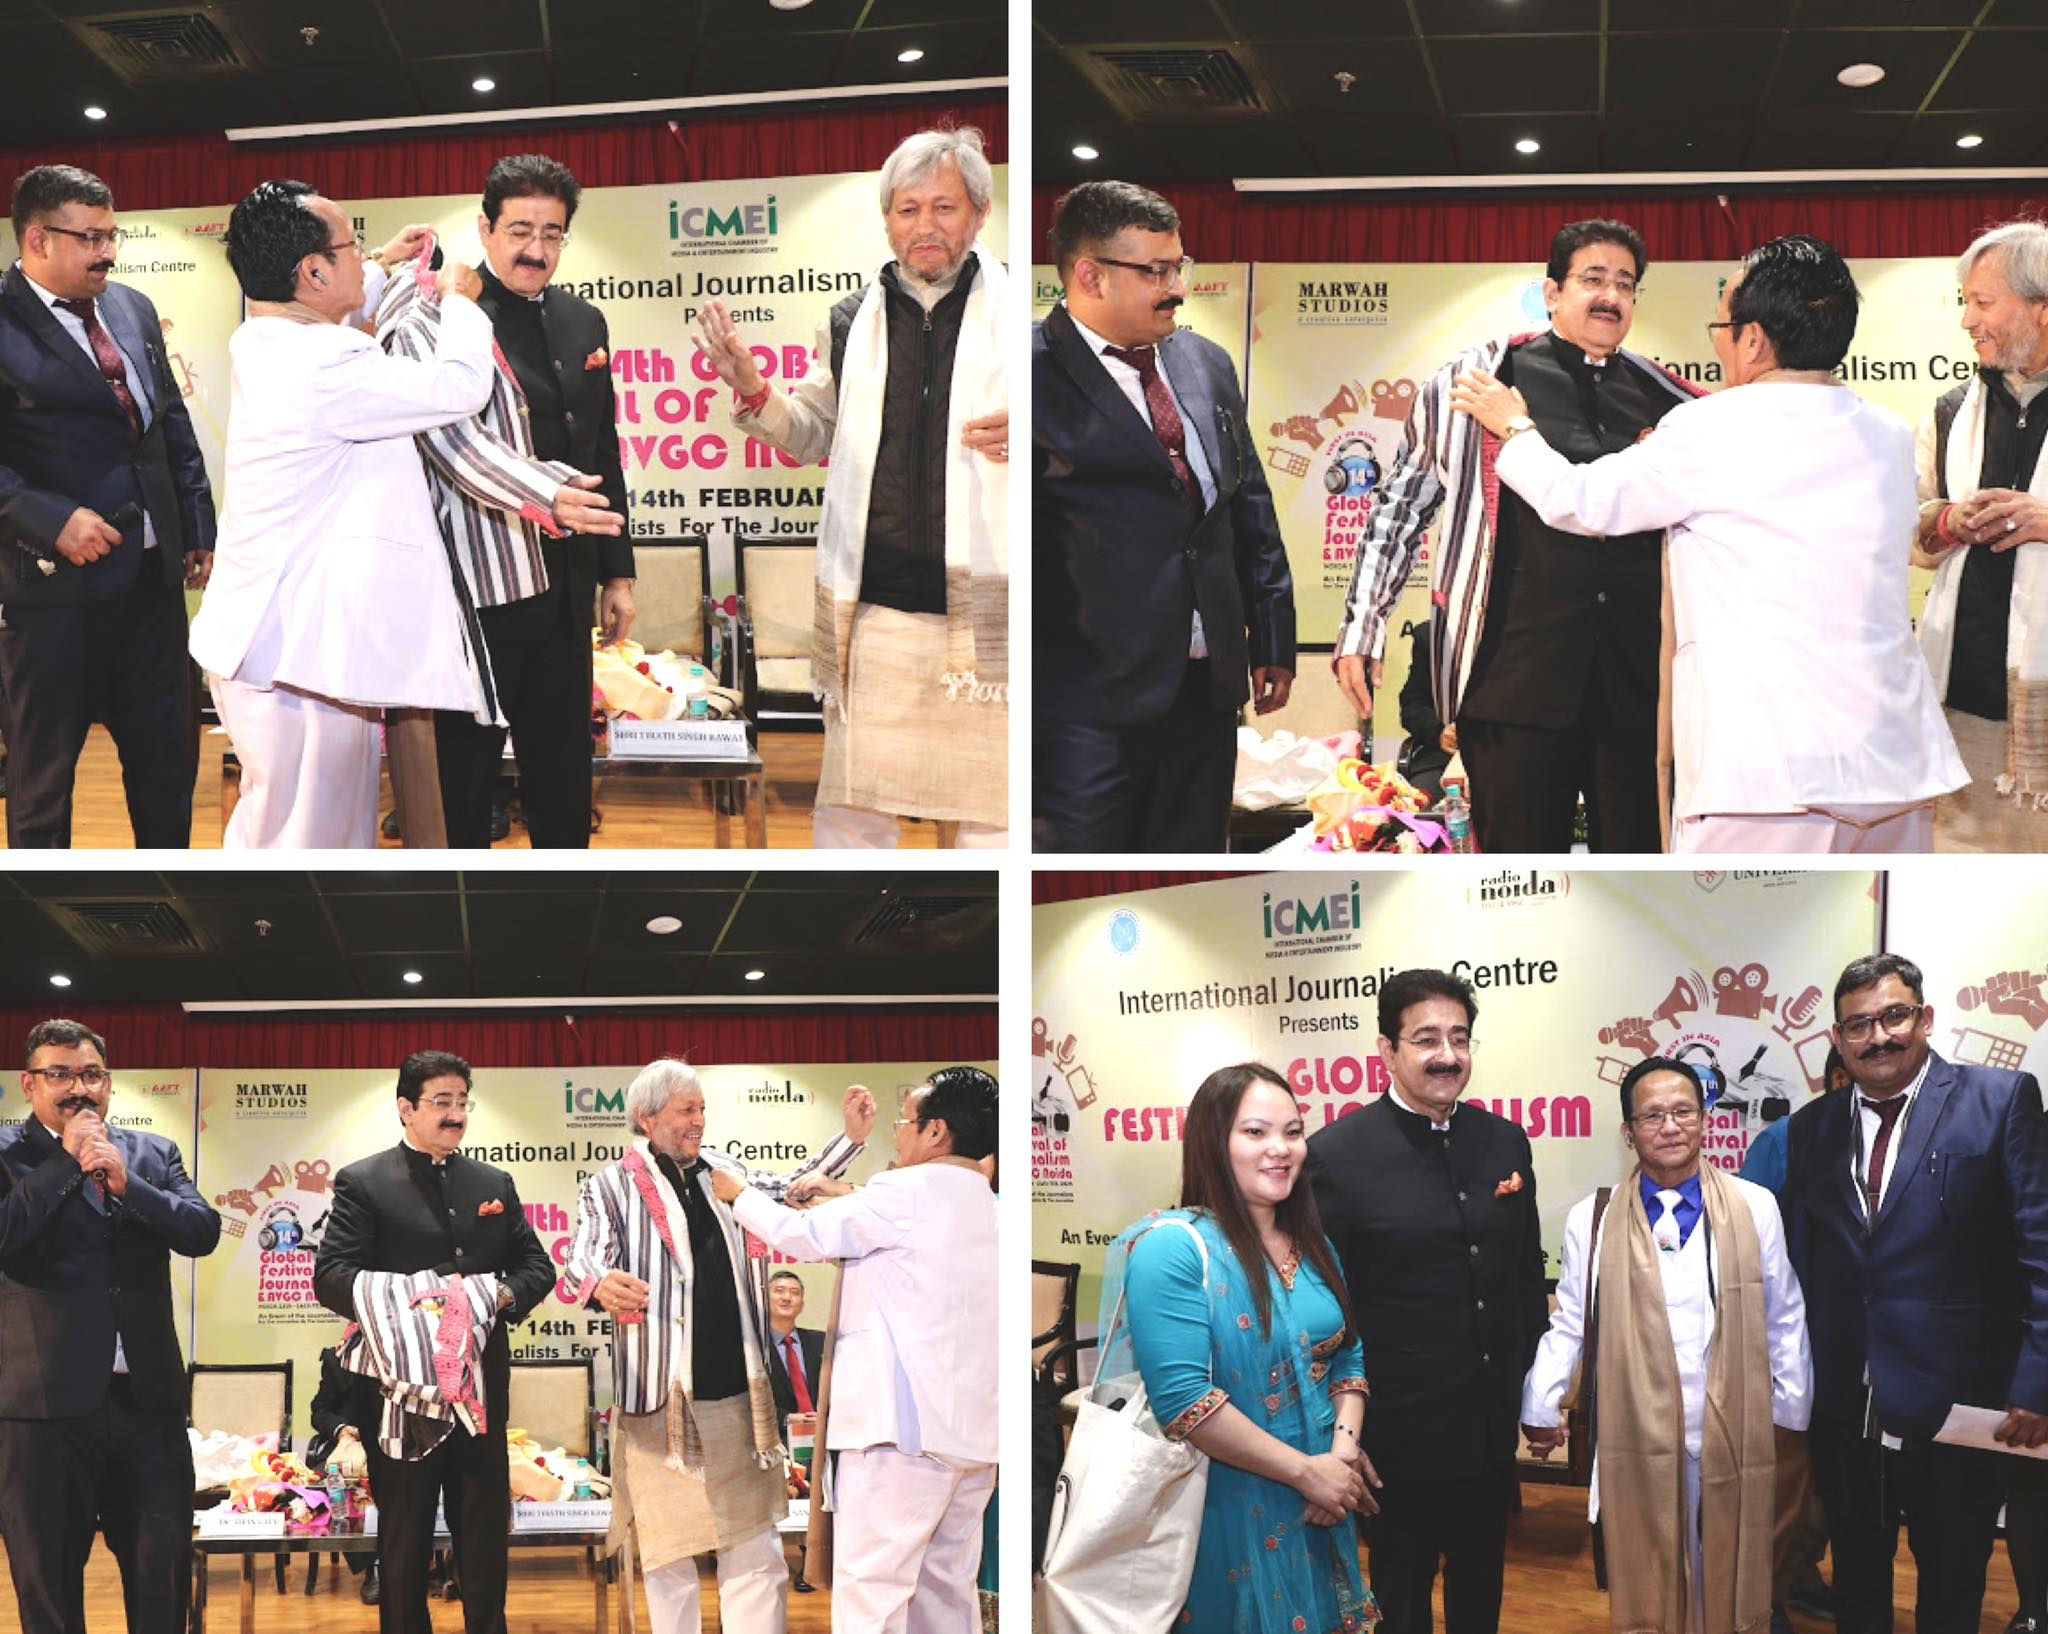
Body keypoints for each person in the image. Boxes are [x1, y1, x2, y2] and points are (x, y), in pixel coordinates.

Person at [1452, 234, 1966, 853]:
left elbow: (1579, 500)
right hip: (1895, 761)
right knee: (1879, 914)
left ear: (1753, 340)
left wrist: (1514, 427)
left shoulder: (1710, 427)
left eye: (1722, 326)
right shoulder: (1888, 434)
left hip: (1767, 773)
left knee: (1749, 917)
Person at [1331, 219, 1696, 853]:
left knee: (1642, 875)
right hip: (1512, 685)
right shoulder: (1475, 384)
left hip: (1638, 691)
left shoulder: (1672, 403)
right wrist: (1364, 624)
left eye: (1625, 284)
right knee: (1517, 880)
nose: (1611, 296)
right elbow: (1399, 508)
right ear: (1552, 292)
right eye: (1593, 279)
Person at [695, 128, 1007, 850]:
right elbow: (812, 435)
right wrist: (754, 389)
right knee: (851, 817)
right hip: (876, 610)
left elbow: (1070, 452)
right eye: (907, 209)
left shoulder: (1024, 328)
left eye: (944, 207)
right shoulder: (849, 321)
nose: (925, 226)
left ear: (980, 214)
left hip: (985, 618)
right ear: (887, 218)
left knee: (992, 821)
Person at [188, 180, 498, 848]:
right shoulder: (322, 360)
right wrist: (460, 303)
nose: (363, 257)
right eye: (353, 246)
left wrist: (381, 263)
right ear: (314, 271)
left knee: (324, 837)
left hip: (297, 650)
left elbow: (327, 308)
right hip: (292, 655)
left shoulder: (266, 337)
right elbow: (461, 386)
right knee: (299, 846)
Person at [1782, 952, 2048, 1633]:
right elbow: (1805, 1265)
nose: (1879, 1037)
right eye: (1859, 1025)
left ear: (1925, 1018)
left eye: (1894, 1016)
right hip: (1848, 1406)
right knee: (1858, 1584)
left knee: (1953, 1585)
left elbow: (2041, 1251)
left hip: (1962, 1400)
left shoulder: (2000, 1100)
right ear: (1838, 1038)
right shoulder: (1812, 1128)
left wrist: (2036, 1381)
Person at [562, 1062, 873, 1634]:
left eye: (702, 1108)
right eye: (687, 1110)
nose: (699, 1120)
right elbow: (582, 1254)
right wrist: (600, 1281)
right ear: (646, 1118)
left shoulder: (725, 1171)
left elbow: (795, 1190)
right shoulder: (609, 1185)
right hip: (660, 1403)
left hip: (737, 1395)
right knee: (669, 1556)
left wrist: (850, 1140)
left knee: (755, 1552)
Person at [1033, 179, 1294, 852]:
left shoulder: (1206, 363)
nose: (1177, 288)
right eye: (1156, 271)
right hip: (1082, 707)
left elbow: (1248, 503)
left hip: (1206, 695)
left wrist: (1271, 635)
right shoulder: (1022, 374)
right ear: (1089, 275)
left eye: (1180, 267)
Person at [1522, 1058, 1811, 1634]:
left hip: (1734, 1425)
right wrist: (1541, 1400)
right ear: (1628, 1132)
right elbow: (1574, 1318)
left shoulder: (1754, 1204)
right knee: (1654, 1567)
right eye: (1652, 1116)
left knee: (1727, 1564)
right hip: (1638, 1432)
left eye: (1684, 1111)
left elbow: (1783, 1313)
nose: (1671, 1126)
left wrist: (1790, 1411)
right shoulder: (1594, 1217)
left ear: (1705, 1120)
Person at [710, 1067, 999, 1634]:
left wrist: (739, 1194)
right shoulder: (989, 1204)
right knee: (945, 1593)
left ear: (936, 1131)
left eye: (905, 1122)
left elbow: (798, 1235)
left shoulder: (903, 1192)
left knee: (871, 1593)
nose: (899, 1134)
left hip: (899, 1435)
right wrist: (841, 1191)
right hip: (973, 1438)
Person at [1306, 968, 1547, 1634]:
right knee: (1401, 1596)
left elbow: (1524, 1273)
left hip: (1488, 1425)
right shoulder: (1336, 1155)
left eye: (1459, 1038)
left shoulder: (1505, 1140)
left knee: (1481, 1586)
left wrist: (1533, 1384)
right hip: (1395, 1433)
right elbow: (1324, 1308)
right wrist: (1343, 1430)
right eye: (1427, 1039)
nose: (1447, 1055)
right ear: (1387, 1051)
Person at [1099, 1063, 1378, 1634]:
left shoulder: (1312, 1242)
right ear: (1212, 1141)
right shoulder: (1172, 1249)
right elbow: (1185, 1401)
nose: (1280, 1149)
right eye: (1255, 1132)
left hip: (1323, 1495)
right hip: (1220, 1501)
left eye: (1293, 1132)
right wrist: (1306, 1473)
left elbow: (1348, 1354)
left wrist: (1342, 1456)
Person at [0, 164, 215, 848]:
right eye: (90, 238)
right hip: (53, 596)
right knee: (43, 784)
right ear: (38, 239)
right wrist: (48, 518)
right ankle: (43, 908)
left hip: (151, 588)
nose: (109, 252)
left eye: (111, 235)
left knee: (166, 768)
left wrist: (195, 522)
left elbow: (169, 420)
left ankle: (172, 895)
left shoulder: (132, 307)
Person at [313, 1051, 556, 1634]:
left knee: (484, 1534)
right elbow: (332, 1276)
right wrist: (417, 1305)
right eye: (441, 1102)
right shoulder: (363, 1182)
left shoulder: (492, 1183)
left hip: (478, 1391)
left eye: (462, 1102)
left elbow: (536, 1266)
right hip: (398, 1398)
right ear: (406, 1108)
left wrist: (495, 1295)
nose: (455, 1115)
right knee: (404, 1542)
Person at [435, 154, 638, 849]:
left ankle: (564, 898)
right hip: (478, 594)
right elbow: (452, 449)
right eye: (520, 230)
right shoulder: (454, 319)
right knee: (464, 786)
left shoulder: (585, 321)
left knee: (563, 783)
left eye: (553, 233)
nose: (536, 250)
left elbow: (603, 449)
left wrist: (618, 573)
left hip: (566, 591)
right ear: (485, 229)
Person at [0, 1019, 222, 1634]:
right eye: (60, 1074)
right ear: (29, 1084)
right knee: (47, 1585)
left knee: (162, 1575)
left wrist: (130, 1185)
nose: (78, 1088)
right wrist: (65, 1162)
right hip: (43, 1410)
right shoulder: (7, 1154)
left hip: (147, 1404)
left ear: (110, 1083)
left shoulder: (152, 1153)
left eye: (91, 1074)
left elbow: (201, 1231)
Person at [1912, 219, 2048, 852]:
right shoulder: (1950, 412)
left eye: (1984, 302)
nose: (1968, 321)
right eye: (1966, 303)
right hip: (1964, 711)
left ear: (2041, 308)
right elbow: (1907, 530)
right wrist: (1948, 521)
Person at [305, 1343, 380, 1605]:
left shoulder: (407, 1352)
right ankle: (373, 1566)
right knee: (335, 1483)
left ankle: (404, 1560)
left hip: (398, 1443)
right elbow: (320, 1410)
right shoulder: (338, 1357)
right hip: (349, 1446)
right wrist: (340, 1428)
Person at [766, 1269, 826, 1434]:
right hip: (776, 1438)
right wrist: (786, 1418)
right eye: (779, 1291)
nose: (786, 1297)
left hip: (824, 1436)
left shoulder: (823, 1342)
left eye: (795, 1293)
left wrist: (827, 1416)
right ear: (765, 1300)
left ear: (802, 1305)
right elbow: (745, 1402)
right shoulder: (755, 1348)